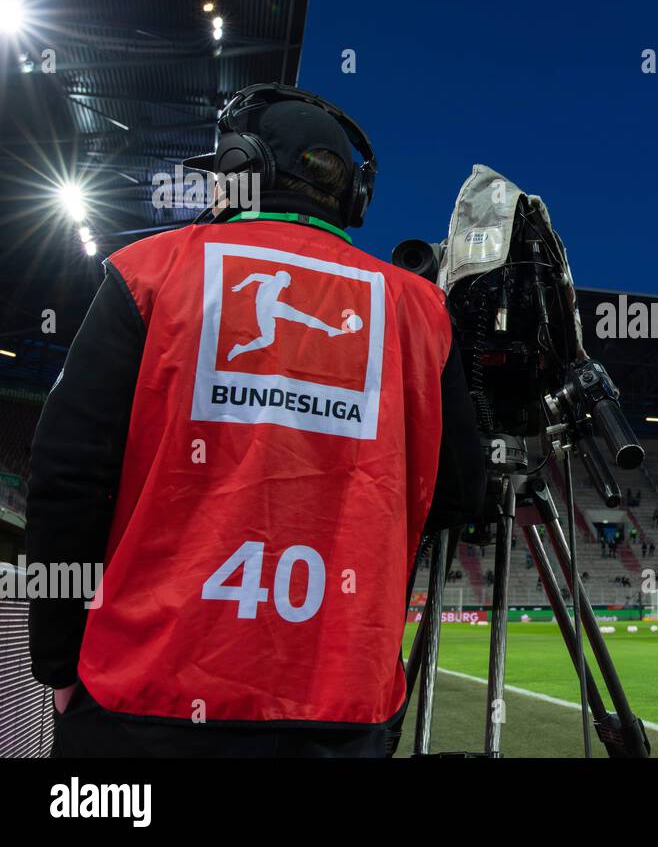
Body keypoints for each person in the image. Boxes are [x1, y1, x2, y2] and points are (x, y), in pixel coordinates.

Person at [26, 84, 486, 757]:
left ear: (243, 173)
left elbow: (65, 480)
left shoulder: (150, 272)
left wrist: (57, 666)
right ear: (352, 197)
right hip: (339, 710)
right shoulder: (419, 311)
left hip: (143, 701)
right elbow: (458, 494)